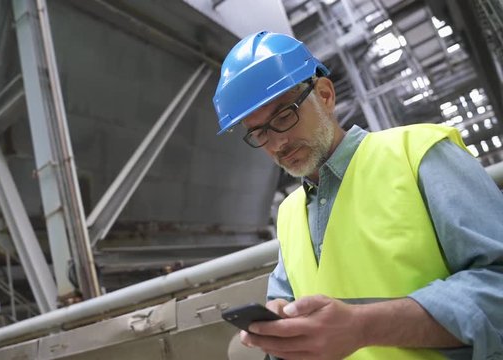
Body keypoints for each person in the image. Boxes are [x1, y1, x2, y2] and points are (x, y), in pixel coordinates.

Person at [213, 31, 503, 360]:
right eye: (260, 132)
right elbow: (286, 303)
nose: (278, 143)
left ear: (324, 95)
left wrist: (364, 327)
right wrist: (280, 327)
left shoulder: (419, 154)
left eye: (284, 116)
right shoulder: (290, 214)